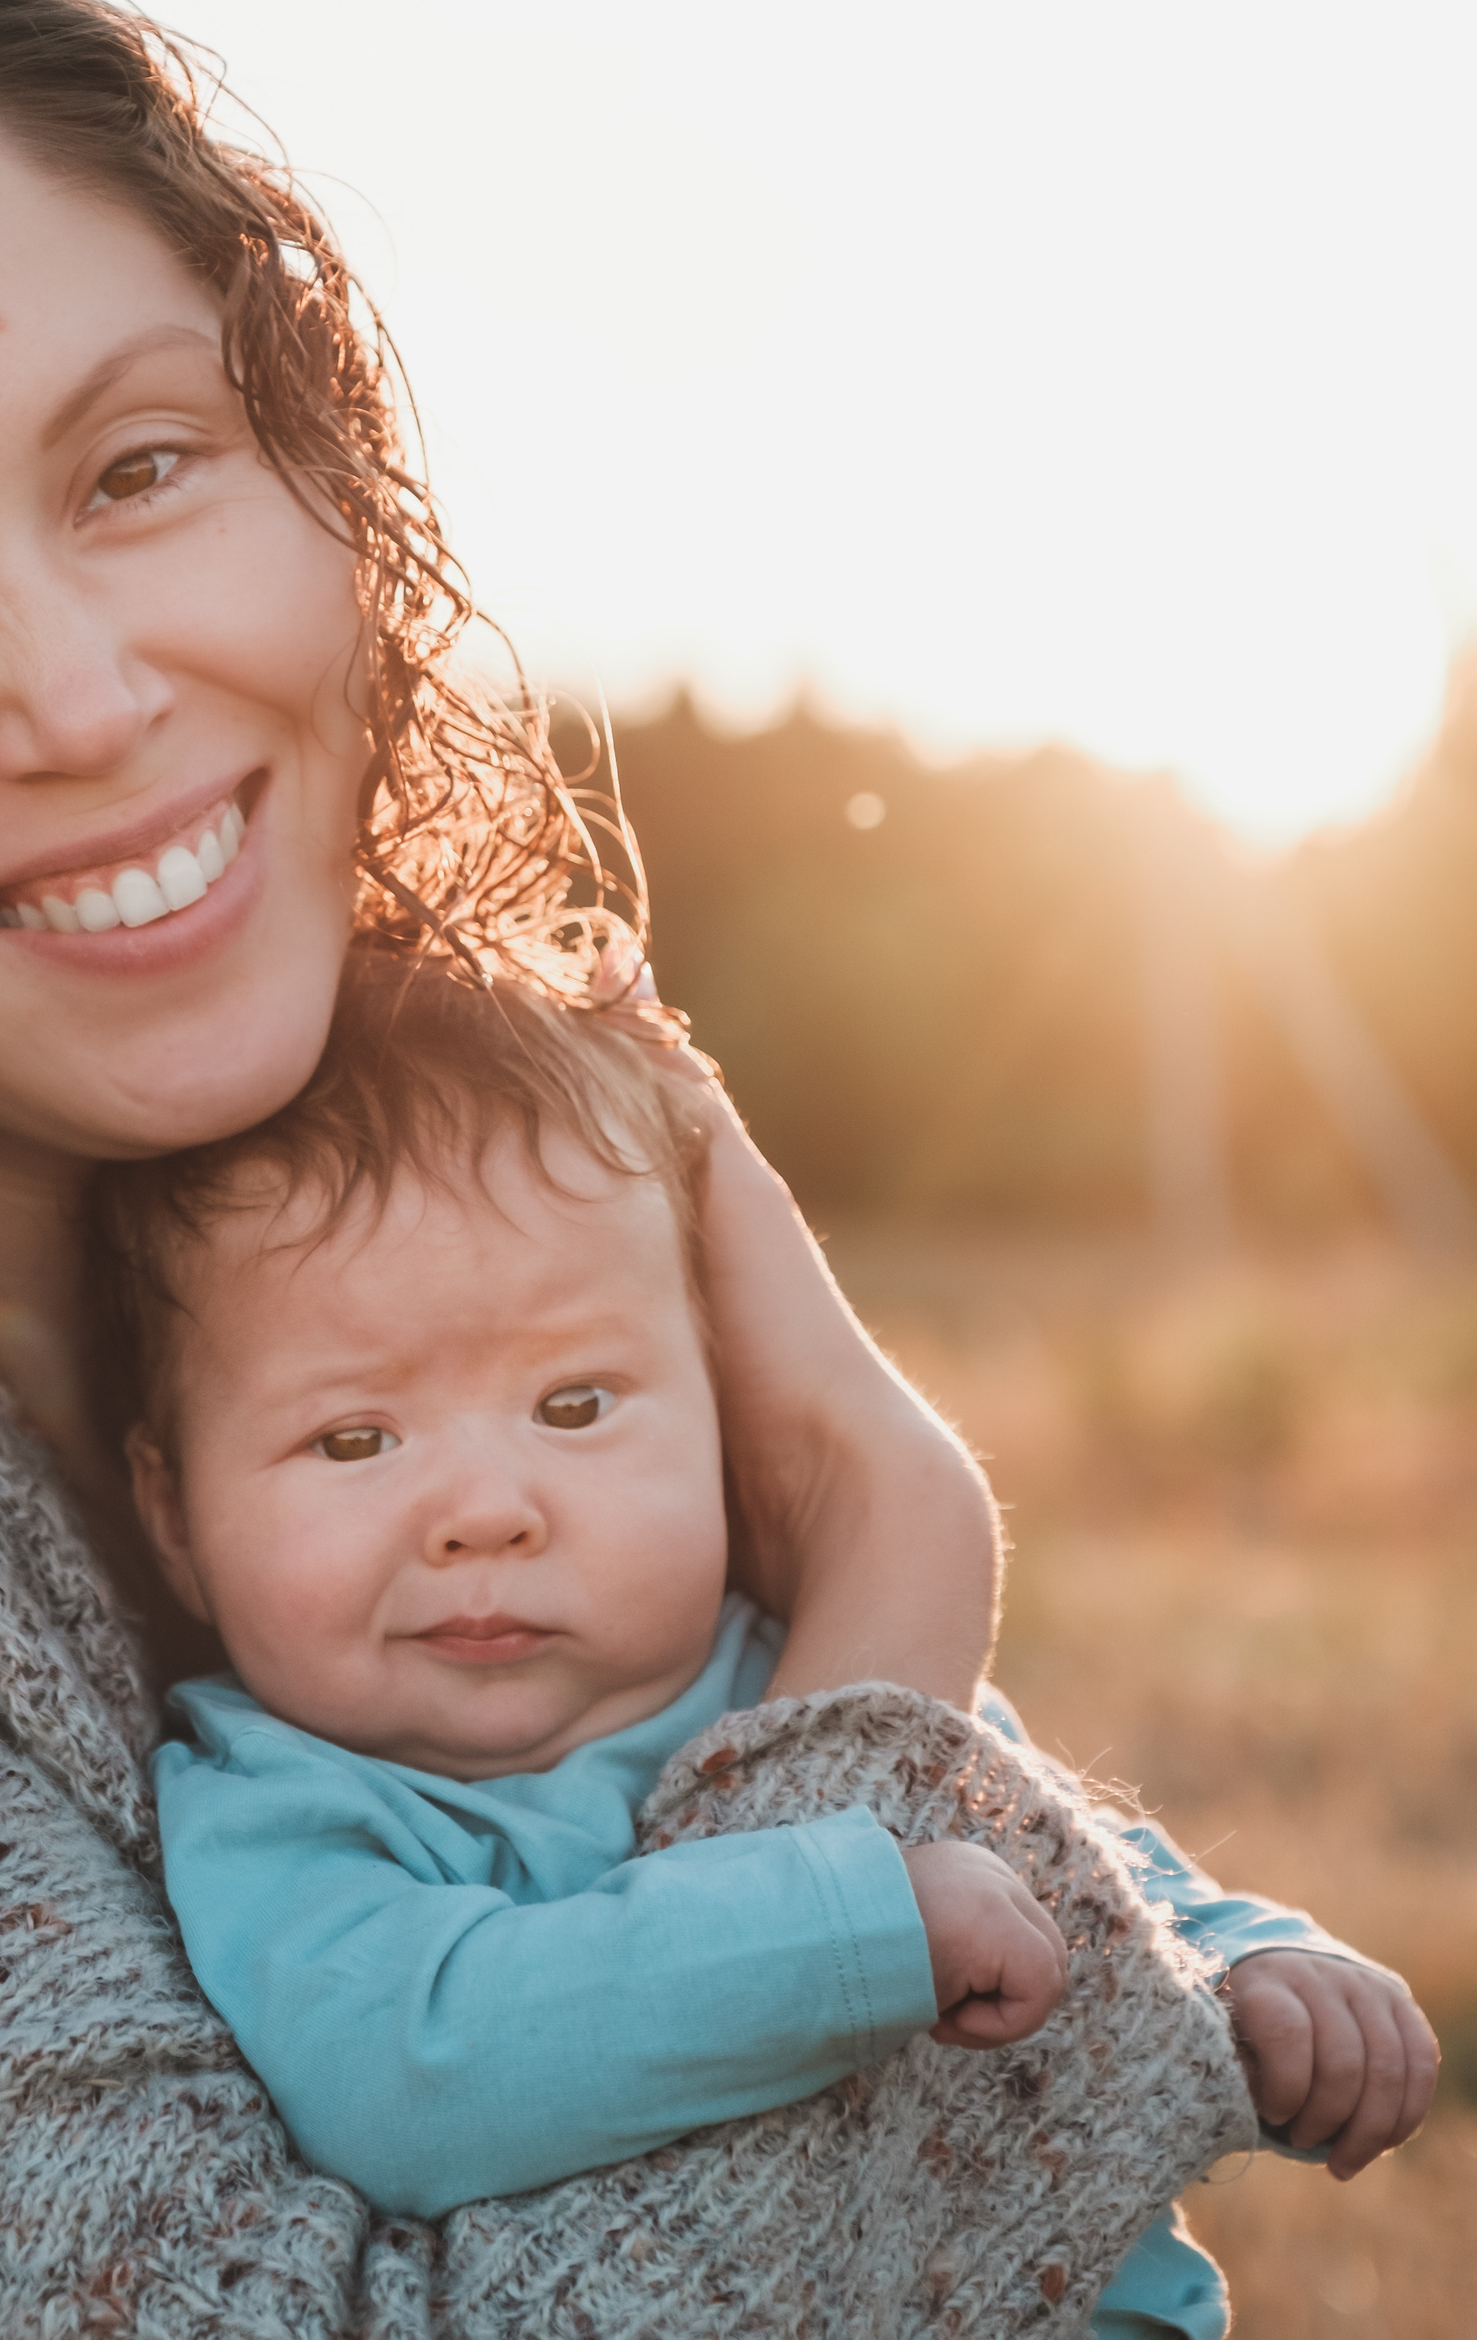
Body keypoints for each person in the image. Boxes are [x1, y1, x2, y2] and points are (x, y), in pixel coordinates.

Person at [0, 0, 1430, 2338]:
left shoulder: (418, 1235)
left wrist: (1190, 1932)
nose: (87, 696)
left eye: (138, 464)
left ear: (317, 465)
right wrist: (890, 1566)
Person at [102, 953, 1437, 2322]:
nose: (487, 1512)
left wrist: (1248, 1965)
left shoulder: (805, 1662)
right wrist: (844, 1928)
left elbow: (1079, 1874)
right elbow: (410, 2076)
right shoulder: (274, 1803)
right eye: (353, 1439)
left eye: (573, 1407)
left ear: (724, 1414)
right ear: (174, 1515)